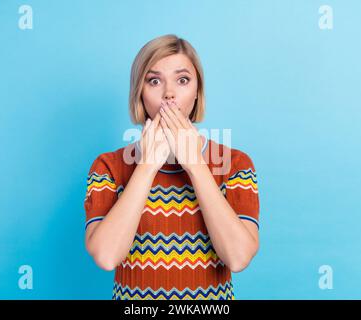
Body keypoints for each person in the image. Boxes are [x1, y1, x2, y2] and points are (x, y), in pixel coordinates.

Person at [84, 34, 260, 300]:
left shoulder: (235, 164)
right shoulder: (108, 166)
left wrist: (195, 165)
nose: (169, 93)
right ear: (139, 94)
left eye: (182, 80)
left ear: (197, 92)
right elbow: (107, 257)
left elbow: (238, 258)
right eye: (154, 81)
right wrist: (146, 166)